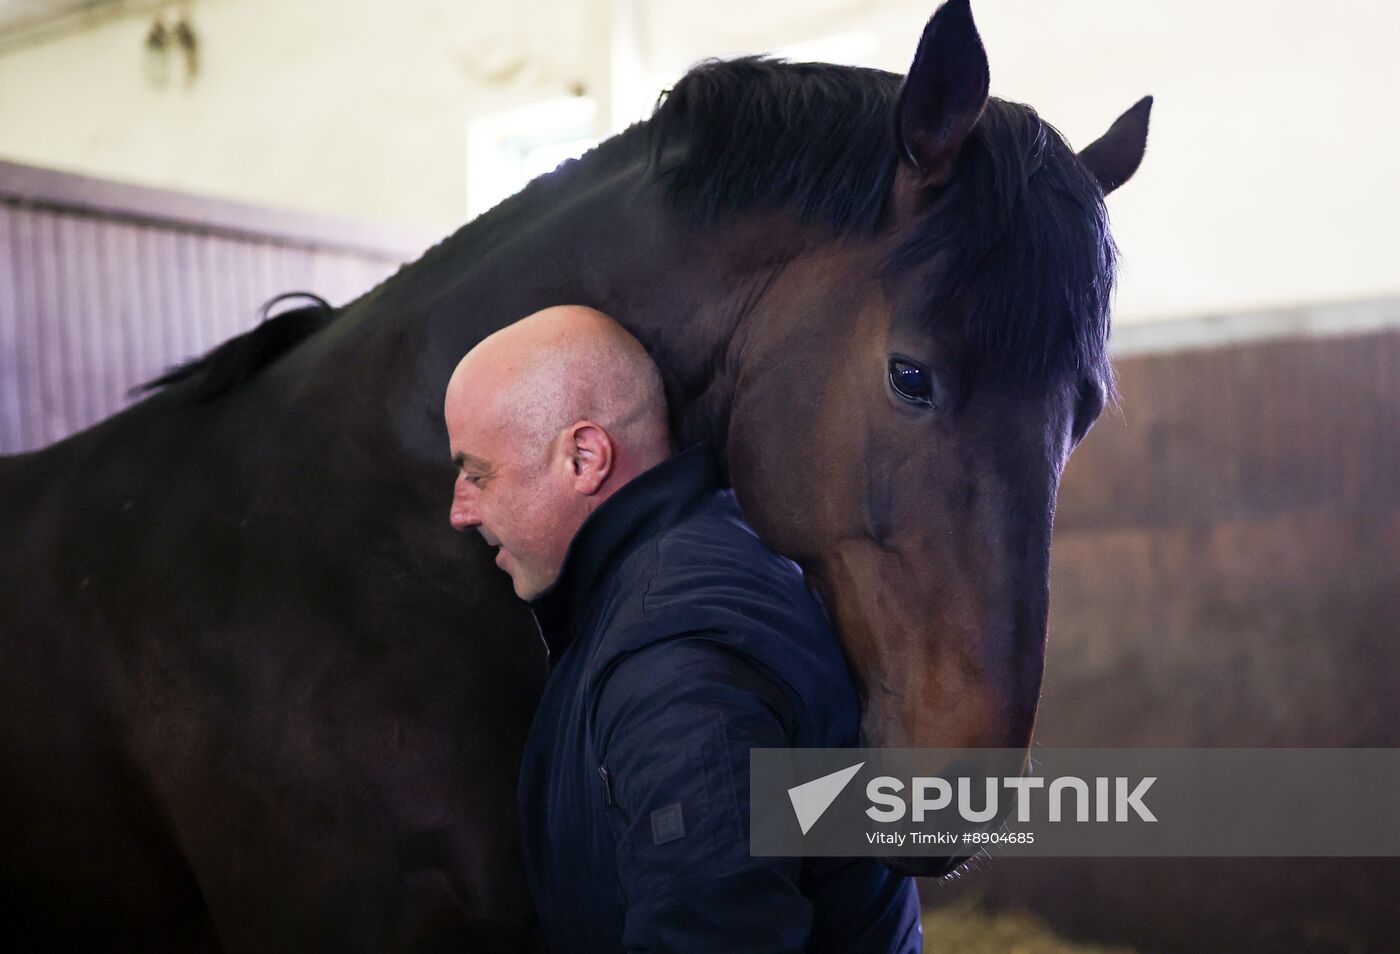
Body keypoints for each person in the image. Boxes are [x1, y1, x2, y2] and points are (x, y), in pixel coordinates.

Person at [443, 305, 921, 952]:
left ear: (584, 458)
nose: (460, 511)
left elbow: (714, 932)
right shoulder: (680, 572)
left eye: (478, 474)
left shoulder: (672, 651)